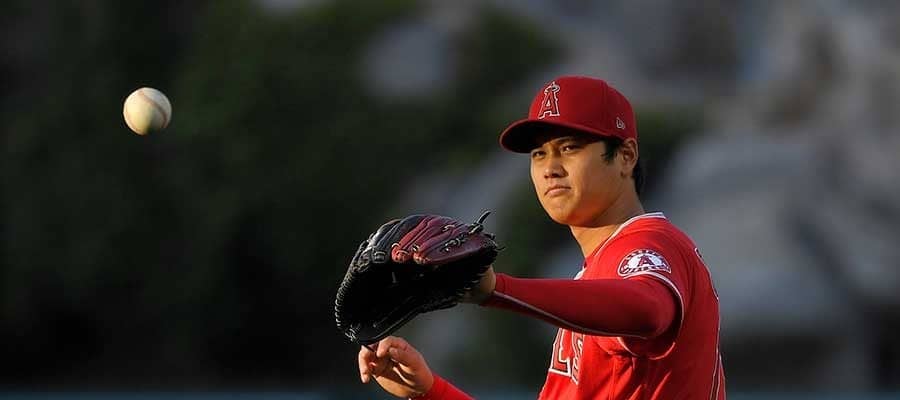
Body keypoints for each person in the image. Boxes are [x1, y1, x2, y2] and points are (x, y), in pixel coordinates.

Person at [357, 76, 726, 399]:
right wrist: (428, 391)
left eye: (569, 148)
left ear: (625, 156)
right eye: (539, 154)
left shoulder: (650, 244)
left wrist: (498, 290)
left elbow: (647, 310)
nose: (550, 168)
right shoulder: (593, 278)